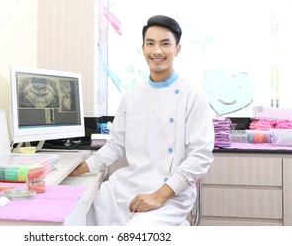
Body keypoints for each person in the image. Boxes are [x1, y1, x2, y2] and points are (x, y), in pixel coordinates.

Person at [70, 15, 215, 226]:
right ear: (143, 48)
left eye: (165, 44)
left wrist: (159, 196)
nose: (157, 51)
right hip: (127, 185)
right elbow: (115, 147)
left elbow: (200, 156)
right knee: (79, 212)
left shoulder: (192, 96)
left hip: (170, 193)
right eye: (151, 43)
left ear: (177, 49)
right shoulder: (132, 96)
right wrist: (79, 168)